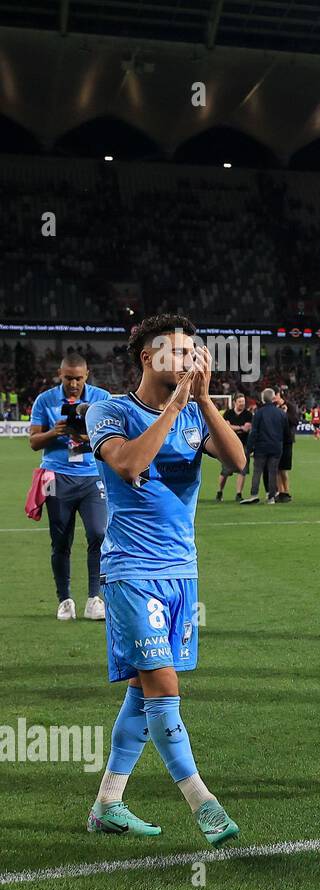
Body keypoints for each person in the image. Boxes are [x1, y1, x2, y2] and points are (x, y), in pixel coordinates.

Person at [84, 314, 245, 846]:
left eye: (192, 353)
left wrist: (201, 401)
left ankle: (108, 803)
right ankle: (204, 803)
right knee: (164, 686)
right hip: (132, 571)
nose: (187, 362)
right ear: (145, 358)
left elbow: (238, 461)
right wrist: (177, 404)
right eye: (175, 353)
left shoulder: (195, 413)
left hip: (182, 571)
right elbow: (129, 465)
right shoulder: (110, 410)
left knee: (141, 691)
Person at [27, 354, 111, 620]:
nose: (73, 383)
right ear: (59, 374)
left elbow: (113, 433)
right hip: (57, 476)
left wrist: (85, 436)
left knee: (98, 533)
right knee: (61, 540)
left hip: (92, 476)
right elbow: (34, 441)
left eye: (78, 378)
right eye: (68, 378)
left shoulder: (102, 397)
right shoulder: (45, 400)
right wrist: (56, 432)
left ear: (87, 375)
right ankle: (65, 600)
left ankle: (94, 599)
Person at [241, 387, 287, 505]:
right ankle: (271, 497)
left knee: (257, 471)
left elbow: (254, 432)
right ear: (273, 398)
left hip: (261, 447)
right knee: (272, 472)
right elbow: (286, 432)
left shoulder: (259, 413)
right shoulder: (281, 413)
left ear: (262, 399)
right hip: (276, 447)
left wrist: (250, 448)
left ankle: (254, 494)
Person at [214, 393, 252, 501]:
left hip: (243, 445)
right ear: (235, 402)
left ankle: (239, 494)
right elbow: (226, 427)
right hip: (229, 446)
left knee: (242, 471)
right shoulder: (228, 413)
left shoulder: (248, 414)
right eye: (240, 402)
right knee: (225, 471)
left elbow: (247, 428)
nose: (242, 404)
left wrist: (232, 427)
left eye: (243, 402)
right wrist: (240, 427)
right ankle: (219, 491)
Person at [274, 389, 297, 501]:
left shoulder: (290, 407)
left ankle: (286, 492)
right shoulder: (273, 407)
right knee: (277, 468)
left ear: (279, 395)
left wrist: (285, 414)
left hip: (287, 441)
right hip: (275, 440)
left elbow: (295, 421)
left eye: (275, 395)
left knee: (283, 468)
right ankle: (280, 491)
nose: (274, 398)